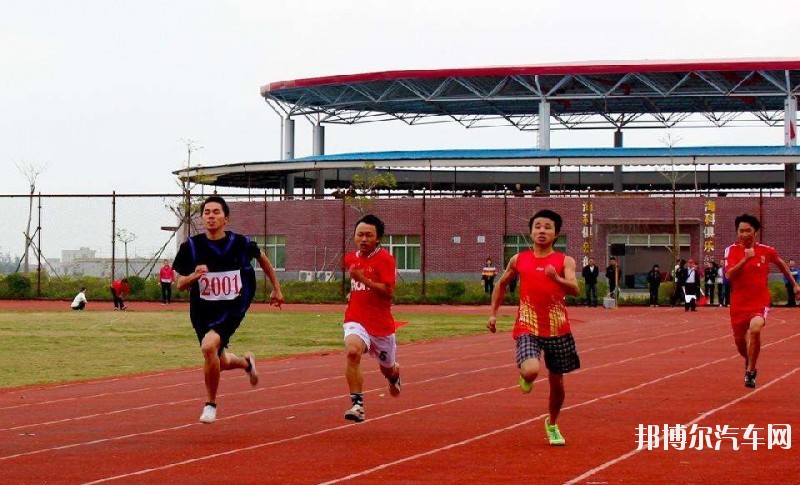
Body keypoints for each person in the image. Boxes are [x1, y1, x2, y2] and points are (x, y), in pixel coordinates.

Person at [173, 195, 285, 423]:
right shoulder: (191, 247)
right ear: (202, 217)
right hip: (203, 309)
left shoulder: (241, 243)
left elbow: (263, 260)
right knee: (218, 359)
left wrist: (276, 288)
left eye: (216, 212)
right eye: (207, 212)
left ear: (226, 219)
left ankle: (210, 404)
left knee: (208, 347)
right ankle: (246, 363)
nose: (211, 216)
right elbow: (180, 284)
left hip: (234, 303)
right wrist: (195, 275)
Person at [487, 209, 581, 446]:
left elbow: (574, 289)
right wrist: (493, 314)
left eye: (547, 227)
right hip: (528, 325)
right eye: (537, 226)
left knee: (557, 382)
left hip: (558, 328)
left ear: (556, 233)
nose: (542, 230)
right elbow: (501, 283)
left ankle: (552, 424)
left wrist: (557, 279)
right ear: (530, 232)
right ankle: (526, 376)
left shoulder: (564, 261)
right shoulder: (519, 259)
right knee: (530, 370)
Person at [723, 214, 800, 389]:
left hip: (760, 301)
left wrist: (795, 285)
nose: (744, 234)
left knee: (756, 329)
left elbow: (780, 264)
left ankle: (751, 372)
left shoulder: (767, 250)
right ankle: (749, 361)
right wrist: (746, 259)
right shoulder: (731, 250)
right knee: (742, 347)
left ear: (755, 232)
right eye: (741, 231)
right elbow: (728, 275)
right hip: (738, 305)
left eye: (748, 230)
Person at [342, 214, 401, 423]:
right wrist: (354, 292)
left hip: (381, 325)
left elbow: (389, 292)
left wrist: (363, 280)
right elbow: (356, 286)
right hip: (356, 319)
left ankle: (394, 375)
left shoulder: (385, 259)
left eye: (369, 235)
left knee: (388, 369)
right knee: (352, 352)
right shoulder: (350, 258)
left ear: (378, 238)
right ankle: (357, 404)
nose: (364, 239)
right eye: (360, 235)